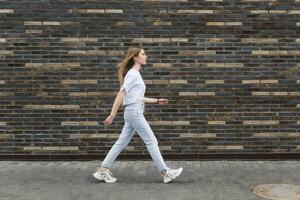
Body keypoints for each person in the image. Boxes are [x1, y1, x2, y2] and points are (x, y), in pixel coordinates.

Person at [93, 46, 183, 183]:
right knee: (151, 141)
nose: (145, 56)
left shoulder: (135, 74)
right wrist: (112, 115)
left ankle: (103, 170)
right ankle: (166, 172)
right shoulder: (133, 74)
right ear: (135, 57)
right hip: (134, 112)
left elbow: (138, 97)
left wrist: (157, 101)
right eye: (143, 54)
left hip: (132, 111)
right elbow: (121, 93)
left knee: (121, 142)